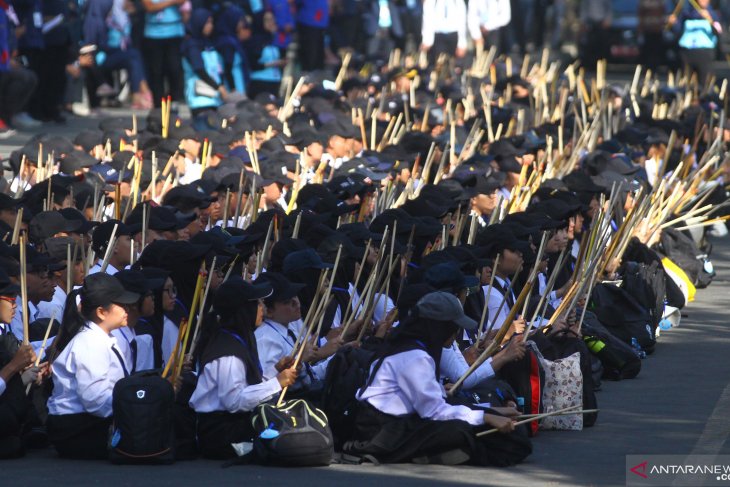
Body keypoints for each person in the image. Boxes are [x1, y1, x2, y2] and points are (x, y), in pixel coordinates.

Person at [346, 291, 531, 466]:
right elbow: (434, 411)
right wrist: (486, 416)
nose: (456, 332)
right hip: (383, 429)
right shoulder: (414, 357)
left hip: (400, 421)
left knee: (510, 433)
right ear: (439, 327)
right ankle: (427, 454)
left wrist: (492, 411)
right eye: (454, 327)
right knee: (471, 433)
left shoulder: (408, 346)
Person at [189, 277, 298, 459]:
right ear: (243, 310)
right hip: (221, 432)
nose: (262, 308)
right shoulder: (228, 353)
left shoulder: (234, 339)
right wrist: (276, 384)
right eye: (257, 303)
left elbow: (245, 387)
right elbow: (234, 402)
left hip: (231, 425)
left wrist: (275, 372)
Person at [46, 273, 140, 459]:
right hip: (76, 427)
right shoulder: (89, 343)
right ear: (101, 312)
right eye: (121, 305)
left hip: (88, 421)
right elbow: (95, 400)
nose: (127, 309)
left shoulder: (101, 337)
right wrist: (134, 409)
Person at [668, 0, 722, 86]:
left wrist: (709, 19)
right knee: (685, 84)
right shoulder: (685, 13)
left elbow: (718, 32)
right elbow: (677, 31)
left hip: (705, 54)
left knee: (705, 84)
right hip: (686, 53)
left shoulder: (713, 14)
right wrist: (673, 23)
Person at [142, 0, 185, 106]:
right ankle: (158, 105)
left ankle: (173, 101)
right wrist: (170, 2)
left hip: (174, 32)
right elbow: (150, 7)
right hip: (154, 35)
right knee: (156, 72)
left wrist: (160, 5)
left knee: (174, 69)